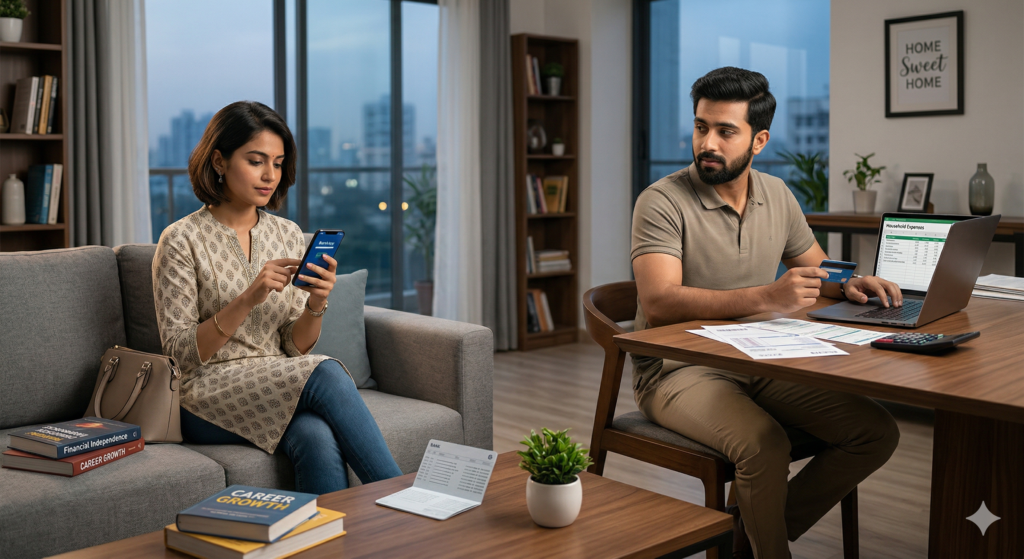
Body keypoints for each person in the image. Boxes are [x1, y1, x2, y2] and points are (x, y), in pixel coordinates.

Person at [631, 67, 901, 558]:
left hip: (760, 357)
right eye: (700, 127)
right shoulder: (662, 201)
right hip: (678, 369)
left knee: (875, 431)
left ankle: (747, 536)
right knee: (765, 446)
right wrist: (765, 298)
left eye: (725, 131)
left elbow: (819, 271)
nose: (707, 142)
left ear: (759, 141)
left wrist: (853, 283)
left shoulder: (776, 194)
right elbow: (659, 302)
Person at [153, 101, 402, 495]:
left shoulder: (287, 233)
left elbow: (292, 346)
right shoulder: (181, 240)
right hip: (201, 395)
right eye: (256, 161)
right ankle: (404, 503)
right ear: (219, 161)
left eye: (279, 163)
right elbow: (180, 355)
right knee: (326, 371)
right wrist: (248, 298)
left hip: (273, 381)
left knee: (316, 438)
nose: (270, 175)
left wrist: (317, 304)